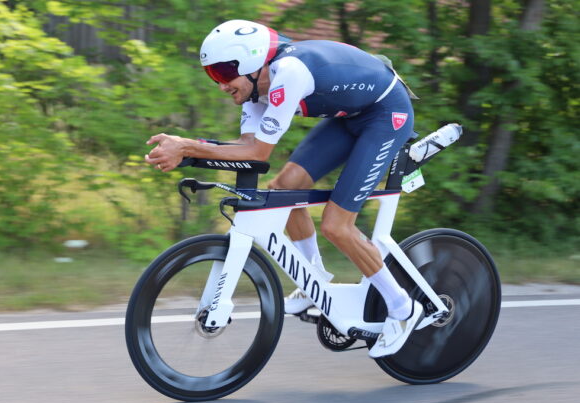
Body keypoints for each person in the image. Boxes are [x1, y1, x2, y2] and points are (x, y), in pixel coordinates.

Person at [144, 19, 423, 358]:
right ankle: (314, 278)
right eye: (212, 75)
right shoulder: (253, 92)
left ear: (248, 63)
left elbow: (258, 153)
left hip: (385, 114)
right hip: (350, 115)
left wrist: (187, 146)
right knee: (283, 189)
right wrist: (191, 151)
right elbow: (246, 149)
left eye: (222, 73)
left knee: (337, 226)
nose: (220, 85)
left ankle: (403, 308)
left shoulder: (288, 73)